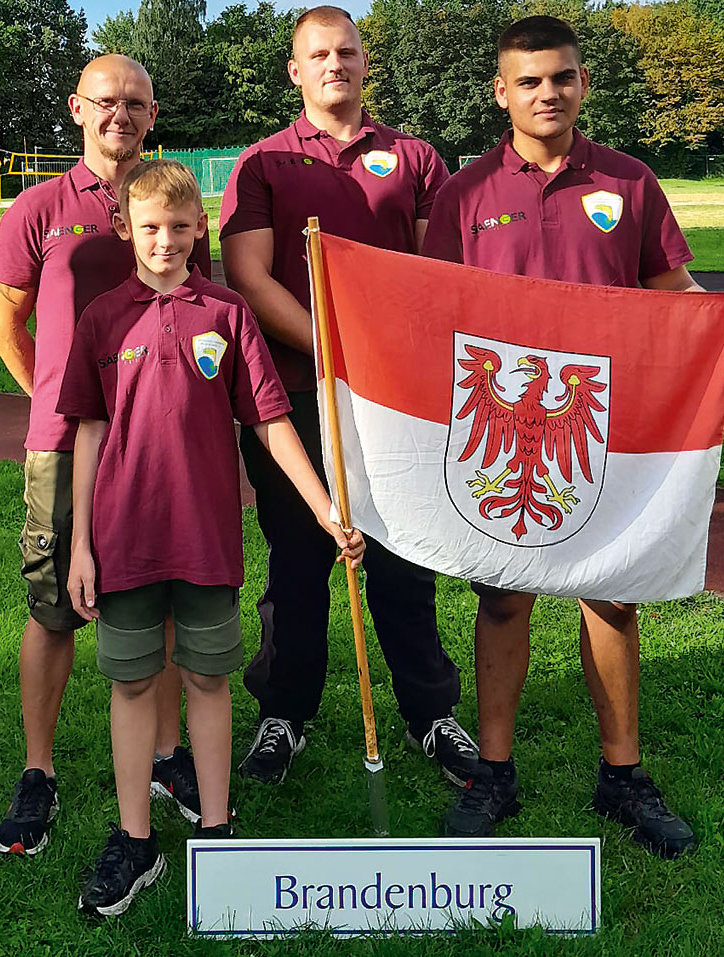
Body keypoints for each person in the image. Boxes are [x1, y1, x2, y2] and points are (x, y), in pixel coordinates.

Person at [422, 15, 724, 857]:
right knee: (503, 591)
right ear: (500, 92)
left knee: (611, 593)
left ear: (584, 83)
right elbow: (432, 306)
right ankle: (493, 772)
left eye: (563, 77)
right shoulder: (464, 194)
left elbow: (669, 285)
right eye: (530, 81)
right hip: (501, 424)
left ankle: (623, 775)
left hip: (609, 420)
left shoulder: (629, 180)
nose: (549, 93)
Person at [57, 160, 365, 917]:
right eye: (151, 227)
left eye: (181, 227)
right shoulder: (103, 319)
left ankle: (220, 830)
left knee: (207, 678)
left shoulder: (227, 314)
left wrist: (325, 507)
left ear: (203, 231)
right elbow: (89, 430)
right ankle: (136, 841)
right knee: (132, 682)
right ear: (125, 229)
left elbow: (268, 418)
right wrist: (81, 547)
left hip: (205, 540)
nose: (166, 240)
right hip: (124, 540)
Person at [219, 5, 479, 786]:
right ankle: (283, 714)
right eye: (318, 54)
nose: (335, 63)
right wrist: (336, 351)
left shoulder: (416, 158)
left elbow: (444, 275)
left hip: (398, 399)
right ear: (295, 71)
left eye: (348, 51)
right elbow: (249, 277)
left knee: (404, 559)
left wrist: (383, 358)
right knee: (298, 560)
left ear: (368, 64)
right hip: (295, 395)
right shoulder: (262, 162)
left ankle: (429, 711)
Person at [0, 55, 214, 856]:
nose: (121, 113)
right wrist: (57, 393)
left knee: (153, 602)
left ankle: (162, 757)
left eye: (137, 103)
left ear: (153, 114)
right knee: (53, 609)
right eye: (106, 101)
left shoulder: (176, 204)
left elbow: (202, 314)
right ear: (79, 108)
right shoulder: (38, 207)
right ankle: (39, 771)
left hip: (162, 449)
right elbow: (4, 322)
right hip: (64, 443)